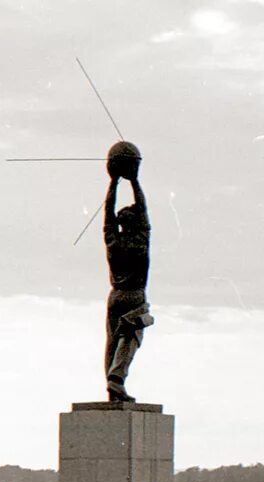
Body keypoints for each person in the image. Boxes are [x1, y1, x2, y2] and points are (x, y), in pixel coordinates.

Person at [102, 141, 154, 403]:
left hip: (115, 297)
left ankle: (113, 386)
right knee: (131, 335)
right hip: (134, 295)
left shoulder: (114, 241)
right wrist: (134, 181)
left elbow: (107, 216)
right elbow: (143, 210)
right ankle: (117, 378)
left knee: (112, 341)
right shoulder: (140, 240)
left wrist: (113, 183)